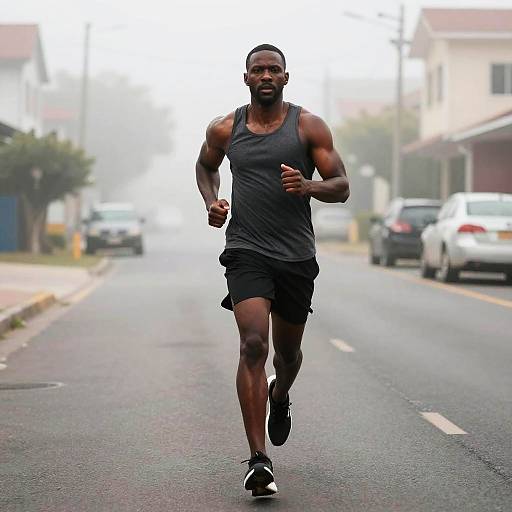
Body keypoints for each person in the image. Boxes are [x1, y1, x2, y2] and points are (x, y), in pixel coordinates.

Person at [195, 43, 349, 497]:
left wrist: (309, 186)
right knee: (253, 344)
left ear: (285, 77)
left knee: (287, 356)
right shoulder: (225, 128)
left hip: (296, 255)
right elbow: (205, 167)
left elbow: (341, 186)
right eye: (257, 69)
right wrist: (212, 201)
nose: (265, 75)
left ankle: (279, 396)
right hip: (246, 249)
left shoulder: (308, 126)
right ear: (246, 77)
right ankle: (259, 459)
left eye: (273, 69)